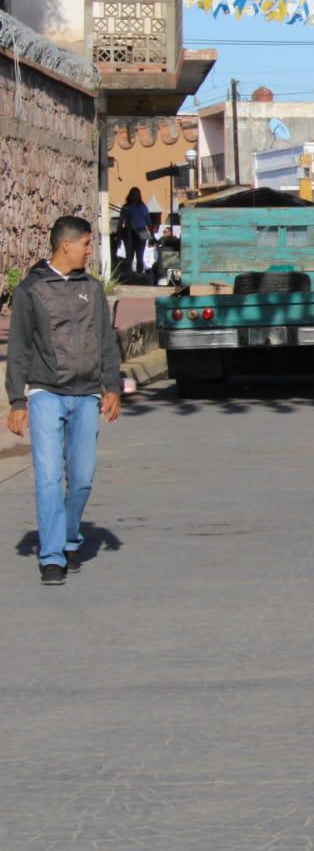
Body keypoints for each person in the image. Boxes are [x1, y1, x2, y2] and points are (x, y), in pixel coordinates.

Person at [6, 216, 123, 585]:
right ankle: (52, 556)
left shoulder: (92, 288)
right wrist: (17, 401)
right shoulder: (31, 290)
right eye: (86, 244)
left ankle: (70, 538)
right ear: (66, 245)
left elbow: (106, 340)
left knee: (82, 479)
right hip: (46, 393)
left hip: (86, 394)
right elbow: (19, 348)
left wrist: (113, 386)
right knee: (49, 477)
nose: (90, 251)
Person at [121, 187, 151, 275]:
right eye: (133, 195)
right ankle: (129, 274)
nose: (135, 197)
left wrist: (152, 235)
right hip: (129, 232)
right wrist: (119, 236)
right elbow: (120, 222)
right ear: (130, 195)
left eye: (137, 195)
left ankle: (139, 274)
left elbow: (148, 222)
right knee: (129, 256)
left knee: (140, 256)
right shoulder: (126, 207)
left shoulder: (143, 207)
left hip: (142, 231)